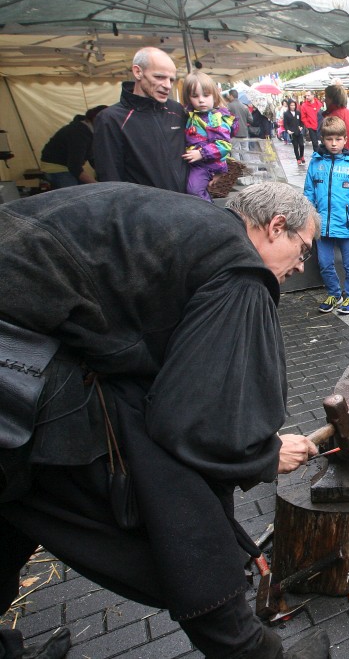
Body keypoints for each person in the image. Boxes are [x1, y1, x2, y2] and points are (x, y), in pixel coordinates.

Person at [0, 182, 328, 659]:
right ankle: (252, 650)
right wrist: (263, 454)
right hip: (17, 362)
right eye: (303, 250)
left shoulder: (188, 223)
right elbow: (193, 423)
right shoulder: (238, 264)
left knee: (11, 512)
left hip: (27, 342)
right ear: (276, 226)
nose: (300, 266)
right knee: (175, 498)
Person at [92, 47, 188, 192]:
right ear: (138, 72)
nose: (167, 86)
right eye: (159, 77)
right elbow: (110, 178)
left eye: (171, 80)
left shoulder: (177, 110)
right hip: (145, 205)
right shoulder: (111, 119)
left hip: (188, 202)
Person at [304, 116, 349, 316]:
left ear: (345, 139)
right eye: (329, 139)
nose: (334, 143)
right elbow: (308, 196)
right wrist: (307, 223)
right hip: (322, 226)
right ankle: (334, 294)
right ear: (322, 139)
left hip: (346, 225)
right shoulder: (316, 163)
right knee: (324, 264)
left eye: (338, 139)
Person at [181, 71, 235, 203]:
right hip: (195, 164)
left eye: (206, 95)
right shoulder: (190, 116)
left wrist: (201, 153)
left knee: (194, 190)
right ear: (188, 98)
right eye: (195, 96)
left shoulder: (215, 118)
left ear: (214, 96)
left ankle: (209, 212)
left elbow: (224, 145)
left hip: (207, 164)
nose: (201, 100)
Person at [39, 105, 107, 189]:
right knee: (74, 193)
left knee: (86, 188)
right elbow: (74, 167)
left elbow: (91, 157)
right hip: (56, 168)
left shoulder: (89, 130)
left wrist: (104, 172)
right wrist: (97, 185)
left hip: (69, 166)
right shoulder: (79, 133)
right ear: (95, 119)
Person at [283, 99, 306, 165]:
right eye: (291, 105)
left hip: (299, 131)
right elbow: (285, 124)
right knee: (295, 146)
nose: (293, 106)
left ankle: (301, 156)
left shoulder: (298, 112)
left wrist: (301, 127)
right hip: (292, 132)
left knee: (301, 145)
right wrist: (288, 130)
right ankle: (298, 159)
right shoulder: (286, 114)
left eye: (294, 105)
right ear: (289, 106)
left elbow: (301, 122)